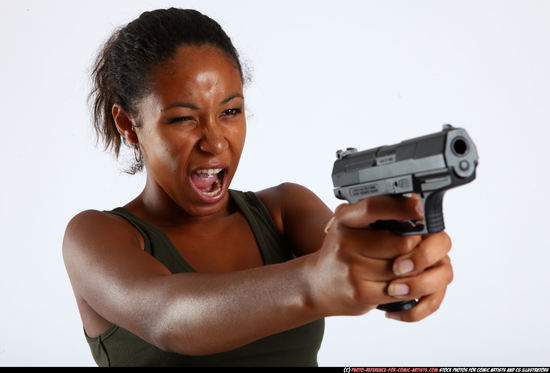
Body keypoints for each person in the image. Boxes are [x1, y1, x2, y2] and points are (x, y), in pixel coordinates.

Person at [62, 8, 453, 367]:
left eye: (230, 111)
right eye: (184, 118)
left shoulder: (285, 210)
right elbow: (169, 318)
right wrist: (312, 283)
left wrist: (403, 262)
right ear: (129, 125)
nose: (215, 141)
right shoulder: (96, 237)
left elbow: (350, 259)